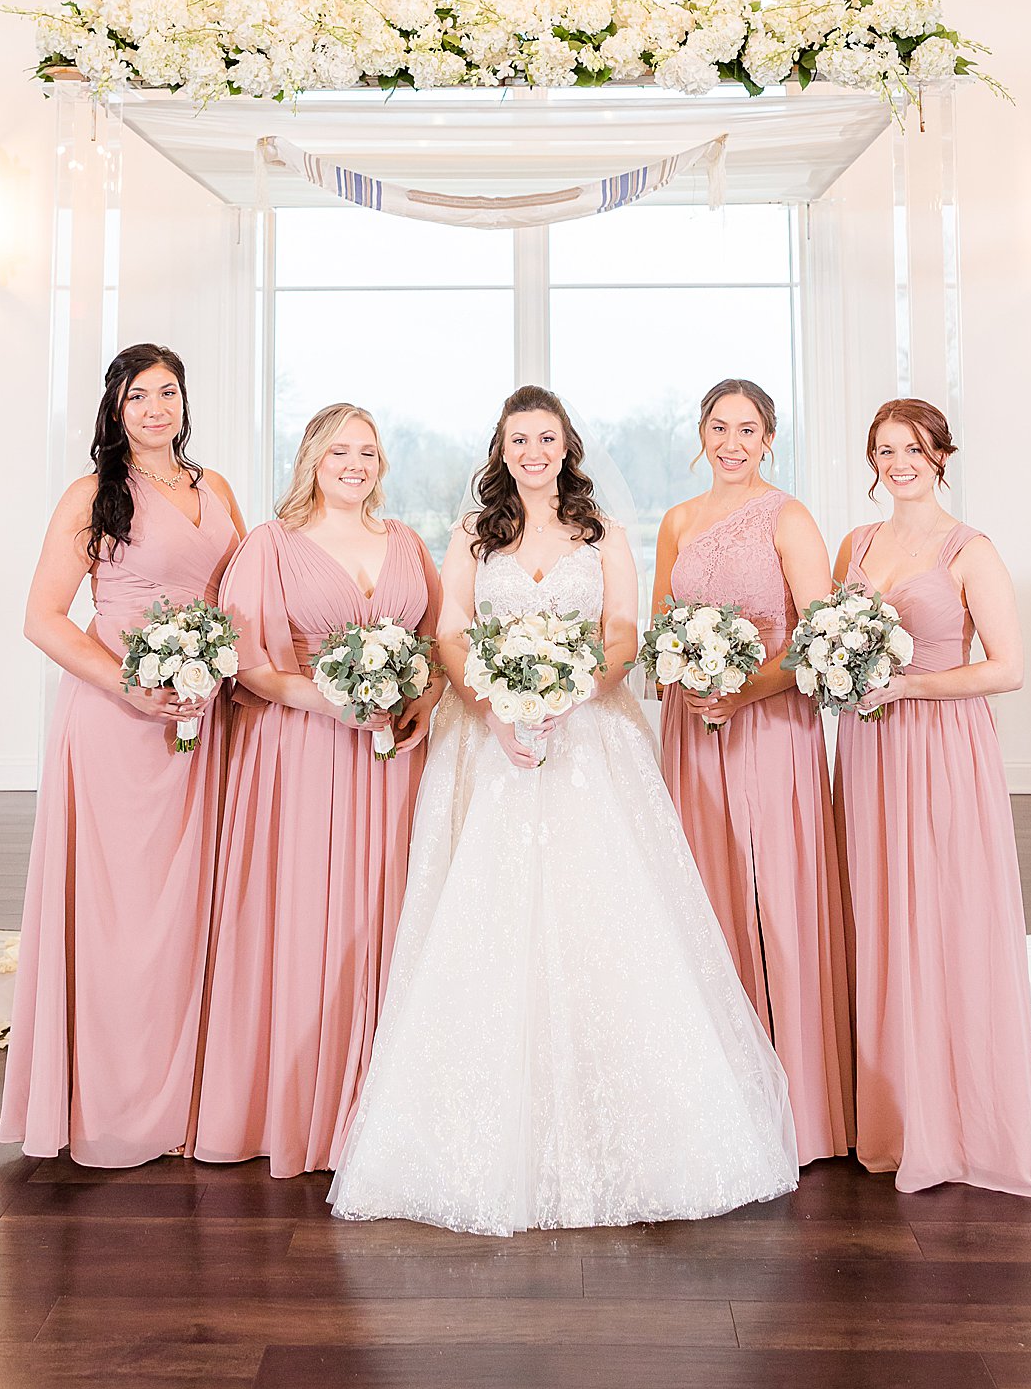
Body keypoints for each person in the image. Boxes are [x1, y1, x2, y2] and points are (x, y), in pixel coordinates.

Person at [329, 386, 798, 1234]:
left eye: (547, 436)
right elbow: (453, 631)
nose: (534, 450)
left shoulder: (604, 533)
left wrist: (568, 693)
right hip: (489, 740)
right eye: (519, 437)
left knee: (610, 923)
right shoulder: (475, 534)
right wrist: (500, 703)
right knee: (487, 922)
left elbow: (622, 631)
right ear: (502, 448)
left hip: (593, 740)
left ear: (566, 444)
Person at [0, 344, 244, 1165]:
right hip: (115, 725)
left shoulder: (217, 491)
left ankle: (186, 1090)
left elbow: (238, 599)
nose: (154, 408)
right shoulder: (92, 495)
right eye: (137, 395)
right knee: (121, 912)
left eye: (167, 392)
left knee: (187, 909)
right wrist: (129, 687)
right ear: (115, 408)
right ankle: (110, 1094)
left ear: (184, 401)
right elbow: (44, 617)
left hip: (200, 721)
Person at [191, 404, 441, 1176]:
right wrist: (332, 700)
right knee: (306, 917)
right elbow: (252, 664)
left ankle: (383, 1107)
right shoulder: (270, 545)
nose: (355, 463)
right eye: (340, 450)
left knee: (388, 916)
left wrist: (420, 709)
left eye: (367, 451)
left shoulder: (405, 542)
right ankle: (302, 1107)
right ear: (311, 458)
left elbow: (434, 644)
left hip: (392, 760)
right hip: (301, 753)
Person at [833, 399, 1031, 1195]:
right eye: (885, 449)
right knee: (880, 913)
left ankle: (954, 1122)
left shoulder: (971, 549)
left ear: (940, 455)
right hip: (867, 749)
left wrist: (911, 685)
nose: (898, 462)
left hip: (940, 746)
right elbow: (832, 639)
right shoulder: (855, 544)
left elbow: (1009, 666)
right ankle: (890, 1115)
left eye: (913, 448)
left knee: (941, 913)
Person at [654, 378, 854, 1166]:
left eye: (747, 429)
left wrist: (743, 691)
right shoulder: (676, 520)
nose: (730, 442)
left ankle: (799, 1099)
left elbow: (820, 635)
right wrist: (689, 679)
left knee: (776, 890)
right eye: (717, 426)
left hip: (769, 723)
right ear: (700, 433)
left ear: (769, 438)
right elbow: (663, 621)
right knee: (703, 894)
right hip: (691, 727)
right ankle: (716, 1094)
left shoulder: (789, 516)